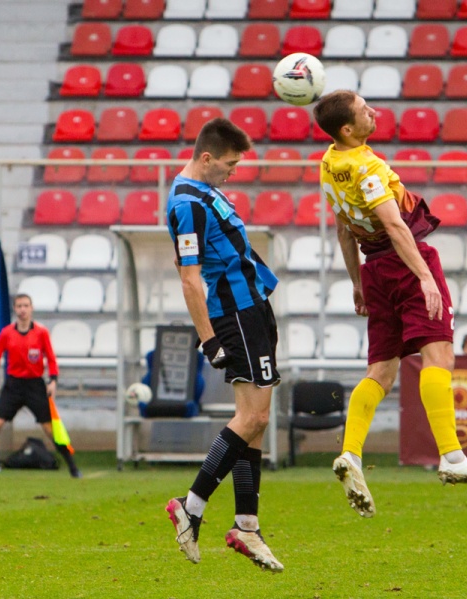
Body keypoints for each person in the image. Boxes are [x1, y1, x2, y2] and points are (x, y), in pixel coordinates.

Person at [313, 91, 467, 519]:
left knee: (381, 371)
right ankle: (452, 455)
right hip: (405, 264)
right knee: (439, 354)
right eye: (364, 110)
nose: (374, 113)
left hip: (373, 270)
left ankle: (351, 454)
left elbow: (344, 230)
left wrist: (357, 283)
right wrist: (424, 276)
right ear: (348, 128)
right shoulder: (368, 168)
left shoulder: (328, 164)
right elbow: (396, 225)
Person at [164, 117, 283, 572]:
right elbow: (189, 278)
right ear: (207, 157)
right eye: (230, 165)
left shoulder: (206, 191)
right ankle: (191, 505)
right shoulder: (187, 204)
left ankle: (247, 526)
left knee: (255, 421)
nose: (234, 172)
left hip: (254, 307)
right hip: (235, 315)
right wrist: (209, 339)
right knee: (253, 417)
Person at [0, 293, 81, 479]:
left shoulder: (41, 332)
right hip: (14, 385)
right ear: (15, 309)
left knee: (50, 429)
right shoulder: (7, 333)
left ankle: (73, 468)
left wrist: (53, 380)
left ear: (31, 308)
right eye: (19, 306)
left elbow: (51, 358)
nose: (22, 309)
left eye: (26, 305)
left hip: (35, 385)